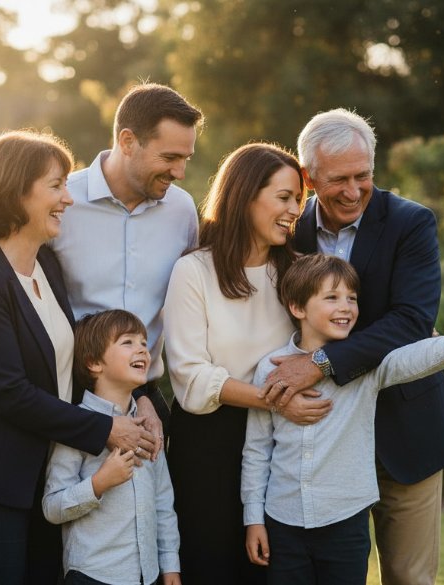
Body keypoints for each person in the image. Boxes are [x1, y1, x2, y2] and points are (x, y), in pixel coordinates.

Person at [0, 130, 154, 584]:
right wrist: (108, 428)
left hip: (40, 468)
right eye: (56, 186)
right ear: (15, 191)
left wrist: (137, 395)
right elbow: (9, 392)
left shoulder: (45, 263)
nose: (68, 199)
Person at [0, 82, 204, 447]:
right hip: (67, 397)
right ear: (127, 141)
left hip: (144, 399)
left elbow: (194, 299)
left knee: (154, 505)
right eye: (170, 158)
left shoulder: (182, 211)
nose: (180, 172)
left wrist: (143, 397)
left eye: (186, 158)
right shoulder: (58, 202)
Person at [262, 108, 444, 585]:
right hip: (318, 436)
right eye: (338, 179)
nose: (353, 191)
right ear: (309, 176)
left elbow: (412, 321)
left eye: (363, 176)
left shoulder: (411, 223)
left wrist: (320, 363)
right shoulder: (289, 231)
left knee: (409, 577)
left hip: (405, 429)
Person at [242, 254, 444, 584]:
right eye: (332, 297)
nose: (346, 307)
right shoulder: (270, 368)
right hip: (282, 521)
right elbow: (257, 451)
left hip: (345, 522)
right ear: (298, 307)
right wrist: (254, 519)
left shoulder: (366, 367)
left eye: (352, 298)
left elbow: (407, 360)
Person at [162, 143, 333, 585]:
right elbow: (190, 376)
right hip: (207, 447)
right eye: (283, 197)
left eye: (298, 199)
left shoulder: (299, 274)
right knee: (211, 567)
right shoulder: (193, 272)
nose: (295, 210)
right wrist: (275, 401)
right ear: (244, 196)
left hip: (280, 447)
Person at [43, 310, 181, 585]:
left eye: (143, 342)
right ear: (94, 362)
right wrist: (99, 483)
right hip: (92, 575)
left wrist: (170, 567)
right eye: (128, 342)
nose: (142, 349)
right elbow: (52, 507)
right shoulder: (78, 428)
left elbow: (163, 504)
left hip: (147, 576)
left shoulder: (148, 427)